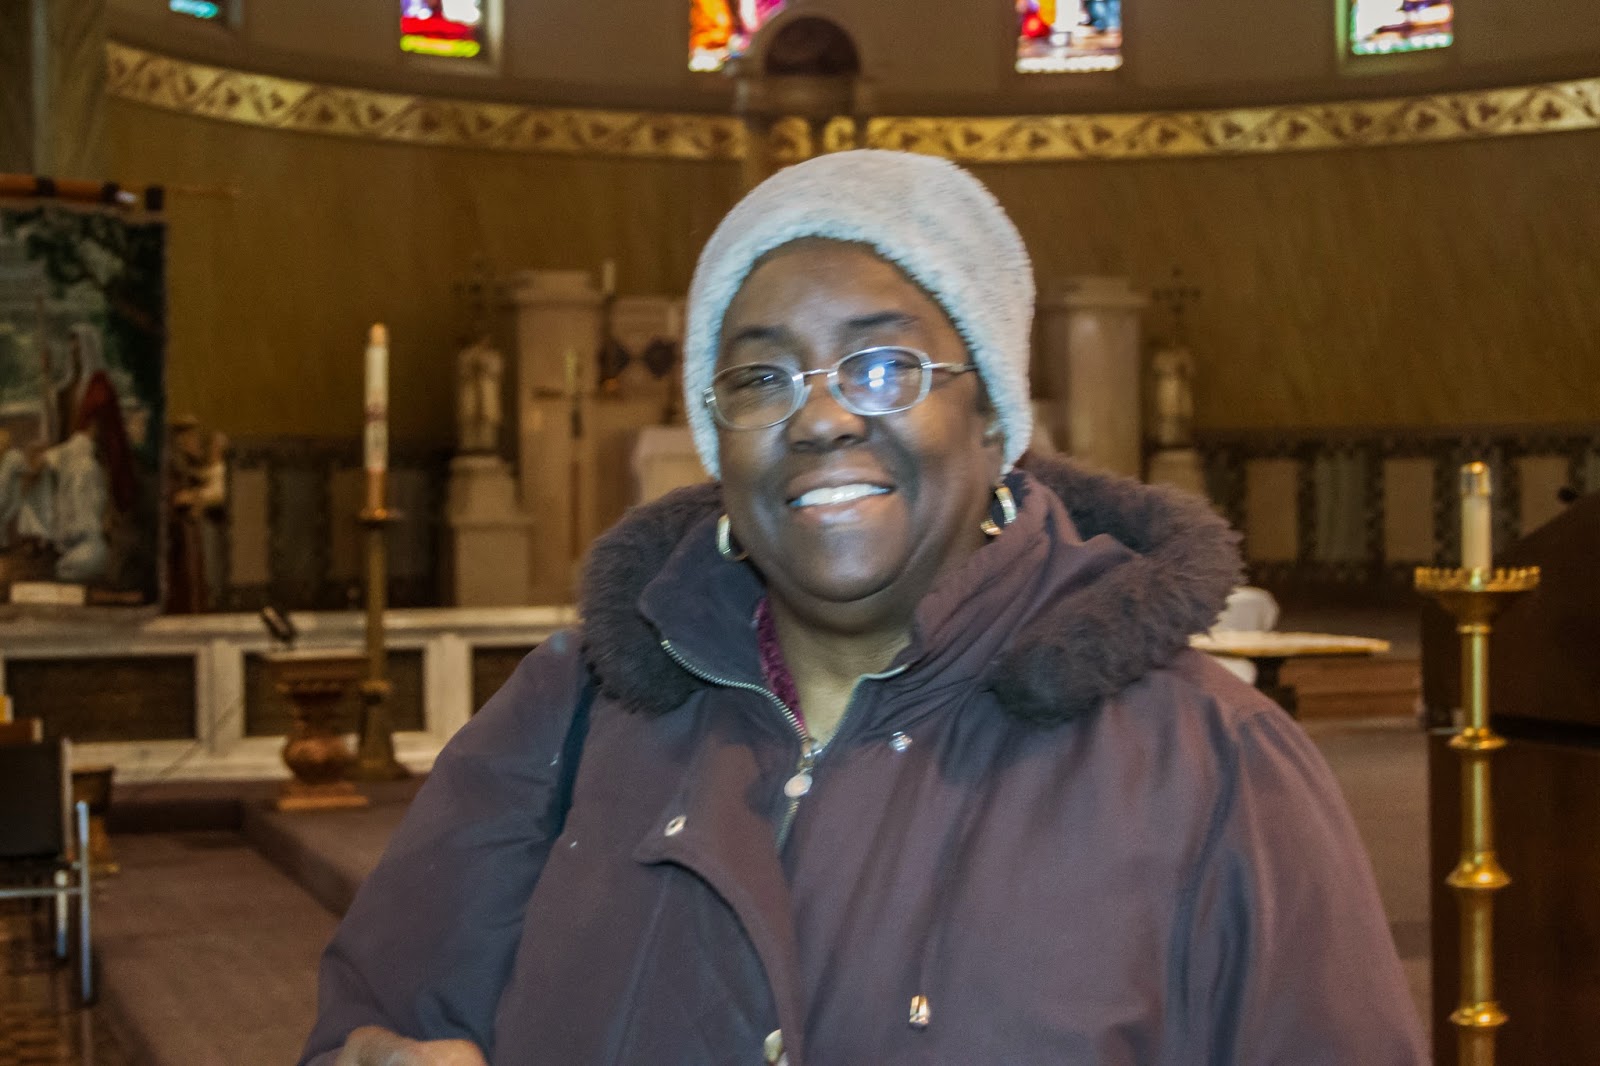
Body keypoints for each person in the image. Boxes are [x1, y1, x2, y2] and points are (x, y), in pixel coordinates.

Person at [303, 150, 1425, 1065]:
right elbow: (380, 1021)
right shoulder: (569, 713)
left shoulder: (1210, 765)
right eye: (761, 377)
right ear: (717, 440)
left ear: (994, 417)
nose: (821, 417)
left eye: (883, 366)